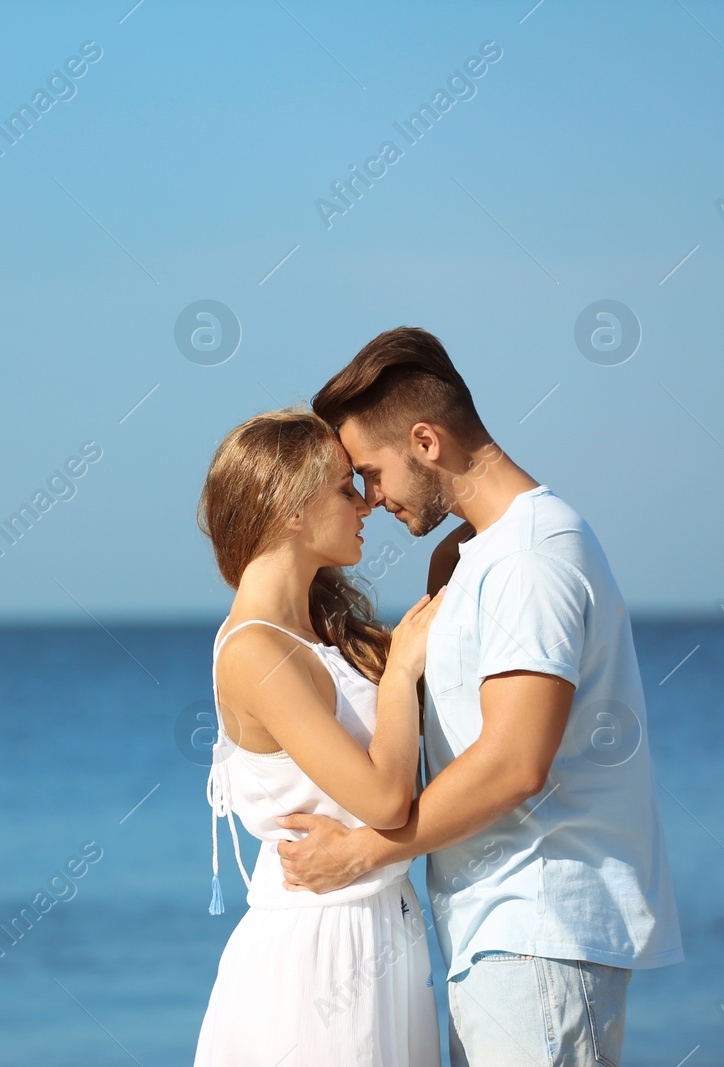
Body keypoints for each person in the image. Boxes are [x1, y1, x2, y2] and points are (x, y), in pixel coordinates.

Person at [277, 326, 684, 1065]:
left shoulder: (531, 555)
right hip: (498, 939)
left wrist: (361, 852)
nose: (369, 499)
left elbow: (513, 762)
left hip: (538, 937)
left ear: (426, 442)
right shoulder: (471, 558)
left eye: (371, 472)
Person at [193, 406, 443, 1066]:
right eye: (343, 487)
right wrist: (400, 676)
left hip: (373, 930)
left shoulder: (320, 632)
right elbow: (386, 800)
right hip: (316, 957)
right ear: (291, 508)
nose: (365, 502)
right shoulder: (252, 651)